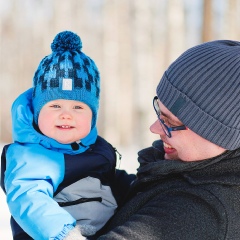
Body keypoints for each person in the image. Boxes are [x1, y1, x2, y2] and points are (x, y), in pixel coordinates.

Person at [94, 40, 240, 239]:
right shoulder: (182, 168)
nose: (154, 128)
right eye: (159, 112)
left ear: (217, 134)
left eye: (170, 122)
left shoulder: (198, 211)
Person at [0, 31, 134, 240]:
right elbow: (28, 198)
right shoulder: (31, 155)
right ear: (37, 112)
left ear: (93, 115)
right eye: (55, 105)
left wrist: (144, 183)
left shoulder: (95, 147)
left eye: (78, 107)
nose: (66, 115)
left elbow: (110, 181)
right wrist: (64, 234)